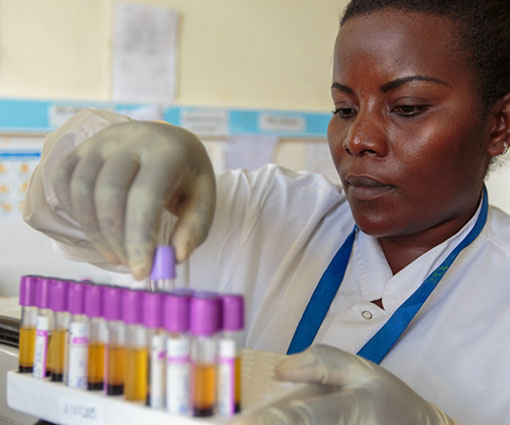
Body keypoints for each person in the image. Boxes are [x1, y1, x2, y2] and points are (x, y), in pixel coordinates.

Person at [23, 0, 510, 424]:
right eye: (343, 109)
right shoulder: (267, 211)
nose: (358, 139)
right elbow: (67, 216)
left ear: (498, 124)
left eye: (405, 107)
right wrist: (109, 153)